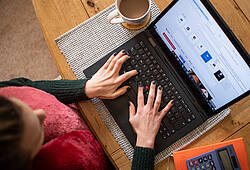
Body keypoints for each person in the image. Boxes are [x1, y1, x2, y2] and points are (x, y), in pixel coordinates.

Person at [0, 50, 173, 170]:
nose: (41, 113)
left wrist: (86, 87)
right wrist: (145, 140)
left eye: (24, 107)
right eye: (38, 127)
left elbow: (26, 86)